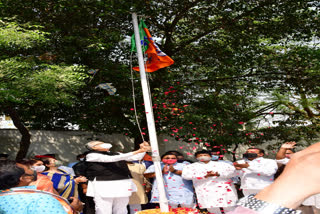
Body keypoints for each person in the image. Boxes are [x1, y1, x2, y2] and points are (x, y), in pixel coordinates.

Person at [228, 142, 320, 214]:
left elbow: (269, 172)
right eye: (248, 152)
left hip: (264, 188)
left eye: (252, 152)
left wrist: (248, 166)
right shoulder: (240, 162)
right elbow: (235, 175)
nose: (249, 154)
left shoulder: (269, 162)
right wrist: (237, 168)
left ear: (261, 154)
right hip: (248, 188)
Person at [84, 140, 150, 214]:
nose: (104, 144)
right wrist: (137, 151)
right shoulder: (92, 155)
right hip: (103, 184)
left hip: (122, 182)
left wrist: (143, 150)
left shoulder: (116, 153)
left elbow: (135, 157)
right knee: (104, 208)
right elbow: (110, 159)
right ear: (94, 147)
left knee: (121, 208)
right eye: (101, 144)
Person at [0, 160, 83, 214]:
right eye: (29, 168)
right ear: (24, 178)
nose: (33, 170)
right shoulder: (40, 200)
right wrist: (72, 210)